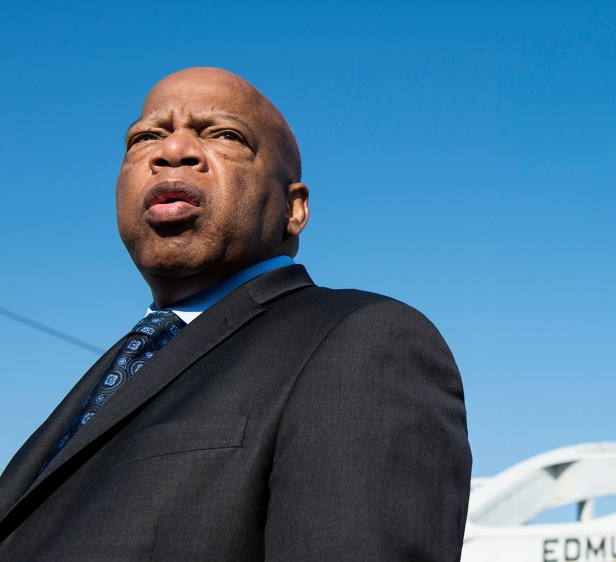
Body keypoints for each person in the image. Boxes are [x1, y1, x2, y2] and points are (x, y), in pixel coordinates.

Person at [0, 67, 472, 560]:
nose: (171, 151)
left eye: (224, 134)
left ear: (295, 210)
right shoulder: (120, 369)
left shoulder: (362, 341)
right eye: (145, 137)